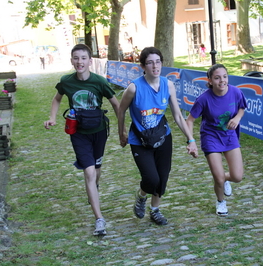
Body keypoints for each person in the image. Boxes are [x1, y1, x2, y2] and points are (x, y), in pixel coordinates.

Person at [44, 43, 120, 236]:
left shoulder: (100, 82)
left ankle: (93, 188)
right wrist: (52, 118)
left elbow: (116, 104)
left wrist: (123, 129)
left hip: (99, 131)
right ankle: (99, 219)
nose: (80, 62)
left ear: (90, 61)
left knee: (97, 169)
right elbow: (57, 99)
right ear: (72, 61)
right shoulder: (66, 81)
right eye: (76, 58)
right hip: (78, 133)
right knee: (89, 172)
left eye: (83, 58)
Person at [118, 46, 198, 225]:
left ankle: (155, 210)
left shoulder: (167, 85)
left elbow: (178, 115)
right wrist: (121, 133)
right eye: (150, 63)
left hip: (162, 136)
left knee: (162, 178)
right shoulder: (134, 88)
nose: (155, 66)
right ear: (143, 67)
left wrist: (191, 139)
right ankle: (141, 195)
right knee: (151, 178)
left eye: (158, 62)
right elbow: (121, 110)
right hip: (139, 139)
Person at [186, 64, 247, 217]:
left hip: (229, 136)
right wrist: (191, 141)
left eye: (225, 77)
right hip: (210, 137)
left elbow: (242, 107)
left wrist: (238, 118)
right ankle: (220, 202)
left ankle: (224, 179)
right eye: (217, 78)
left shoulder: (236, 92)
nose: (222, 81)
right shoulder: (204, 99)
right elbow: (190, 120)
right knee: (218, 177)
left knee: (237, 177)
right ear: (210, 81)